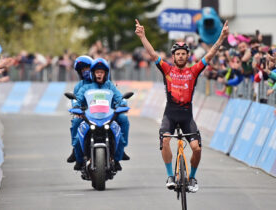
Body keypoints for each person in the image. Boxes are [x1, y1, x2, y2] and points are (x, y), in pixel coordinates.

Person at [135, 18, 229, 192]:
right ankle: (170, 175)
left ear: (187, 56)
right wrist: (142, 37)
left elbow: (209, 55)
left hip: (187, 116)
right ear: (173, 57)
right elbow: (153, 54)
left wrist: (221, 38)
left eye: (183, 54)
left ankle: (192, 178)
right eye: (177, 54)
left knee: (197, 149)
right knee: (165, 141)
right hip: (170, 115)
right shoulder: (167, 70)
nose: (180, 56)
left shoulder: (193, 71)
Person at [74, 58, 130, 171]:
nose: (99, 74)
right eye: (97, 72)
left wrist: (123, 104)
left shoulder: (110, 86)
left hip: (109, 115)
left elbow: (119, 98)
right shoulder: (86, 87)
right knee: (76, 126)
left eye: (102, 72)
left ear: (106, 74)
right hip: (89, 116)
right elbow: (78, 98)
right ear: (93, 73)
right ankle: (79, 159)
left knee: (123, 119)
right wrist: (76, 107)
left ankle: (118, 156)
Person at [67, 55, 94, 170]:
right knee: (76, 122)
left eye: (87, 68)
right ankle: (76, 153)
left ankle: (117, 152)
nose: (85, 71)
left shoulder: (102, 81)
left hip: (102, 114)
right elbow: (75, 100)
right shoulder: (79, 86)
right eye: (82, 69)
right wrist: (77, 108)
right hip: (84, 115)